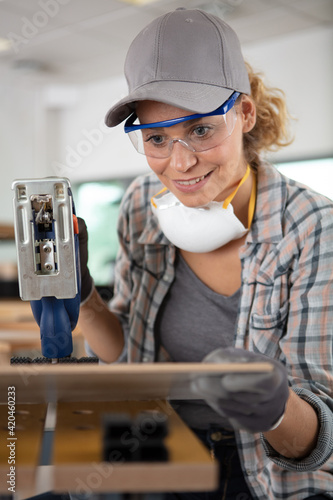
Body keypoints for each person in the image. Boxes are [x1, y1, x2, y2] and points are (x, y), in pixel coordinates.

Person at [77, 8, 333, 500]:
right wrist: (83, 298)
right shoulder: (138, 207)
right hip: (158, 445)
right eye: (156, 138)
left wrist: (276, 408)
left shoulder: (311, 228)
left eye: (200, 130)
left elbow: (321, 437)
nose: (180, 163)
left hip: (260, 472)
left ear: (244, 113)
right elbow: (132, 360)